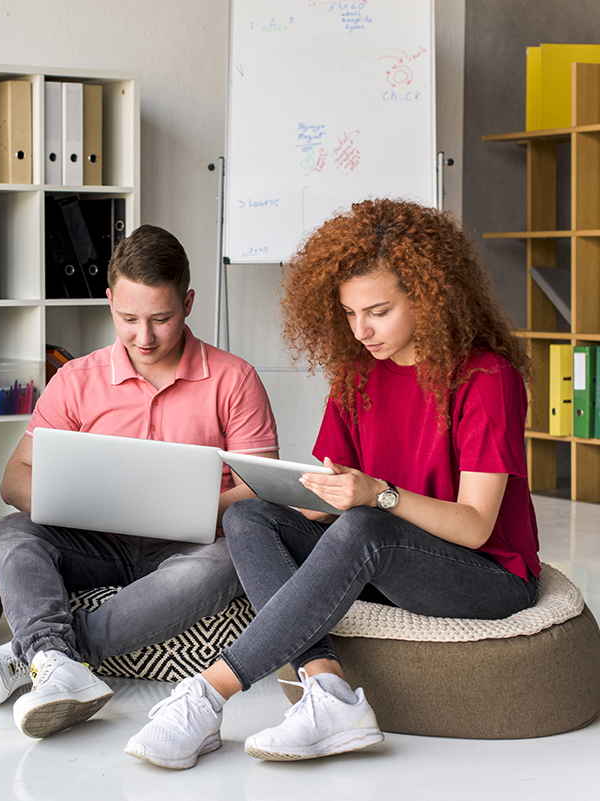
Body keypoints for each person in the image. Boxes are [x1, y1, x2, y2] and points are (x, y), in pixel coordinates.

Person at [125, 198, 541, 769]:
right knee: (250, 516)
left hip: (488, 576)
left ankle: (208, 694)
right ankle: (328, 693)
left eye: (378, 311)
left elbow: (474, 527)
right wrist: (308, 496)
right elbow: (333, 498)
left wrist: (376, 494)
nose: (361, 330)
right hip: (386, 558)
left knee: (368, 524)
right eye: (349, 313)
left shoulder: (485, 377)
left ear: (428, 295)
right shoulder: (358, 373)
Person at [0, 224, 279, 739]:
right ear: (110, 299)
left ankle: (44, 656)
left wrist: (191, 509)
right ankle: (52, 657)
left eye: (161, 318)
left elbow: (260, 491)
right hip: (95, 541)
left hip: (192, 545)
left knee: (236, 556)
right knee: (10, 531)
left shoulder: (235, 379)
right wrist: (92, 505)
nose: (144, 337)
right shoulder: (76, 379)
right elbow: (13, 480)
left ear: (188, 302)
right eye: (128, 318)